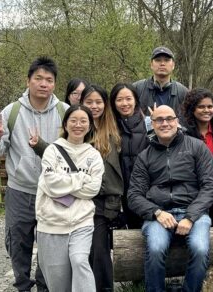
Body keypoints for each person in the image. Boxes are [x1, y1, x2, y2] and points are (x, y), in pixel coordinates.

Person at [0, 56, 68, 292]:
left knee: (50, 242)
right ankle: (22, 284)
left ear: (54, 84)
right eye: (38, 78)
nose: (43, 84)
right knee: (18, 242)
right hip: (20, 190)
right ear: (28, 81)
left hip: (53, 192)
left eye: (49, 80)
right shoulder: (12, 111)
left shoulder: (64, 112)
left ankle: (44, 285)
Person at [127, 105, 213, 292]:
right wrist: (156, 212)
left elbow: (210, 186)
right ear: (152, 124)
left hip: (194, 211)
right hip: (159, 214)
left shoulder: (197, 147)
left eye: (169, 118)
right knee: (155, 248)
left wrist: (190, 216)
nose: (165, 123)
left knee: (200, 248)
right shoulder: (145, 156)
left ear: (177, 121)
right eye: (159, 120)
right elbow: (134, 195)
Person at [36, 104, 104, 292]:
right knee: (58, 281)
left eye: (83, 121)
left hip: (81, 221)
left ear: (90, 125)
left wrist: (64, 184)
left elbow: (92, 190)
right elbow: (51, 183)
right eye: (73, 120)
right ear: (65, 124)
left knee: (80, 260)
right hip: (51, 223)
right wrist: (82, 178)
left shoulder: (94, 155)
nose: (78, 125)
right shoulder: (52, 150)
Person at [81, 84, 123, 291]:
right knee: (81, 251)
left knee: (99, 249)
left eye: (98, 102)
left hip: (104, 201)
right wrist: (37, 145)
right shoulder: (77, 128)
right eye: (89, 102)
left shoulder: (113, 130)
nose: (94, 106)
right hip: (79, 198)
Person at [180, 88, 213, 226]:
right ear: (192, 109)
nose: (206, 110)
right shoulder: (183, 131)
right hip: (192, 188)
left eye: (210, 106)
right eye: (201, 107)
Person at [110, 83, 150, 229]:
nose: (124, 103)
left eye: (128, 98)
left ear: (135, 100)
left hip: (148, 191)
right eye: (119, 100)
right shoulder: (110, 127)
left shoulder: (149, 123)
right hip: (122, 192)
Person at [134, 46, 188, 117]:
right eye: (158, 60)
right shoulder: (137, 89)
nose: (162, 63)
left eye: (166, 60)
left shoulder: (183, 92)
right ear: (151, 65)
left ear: (173, 65)